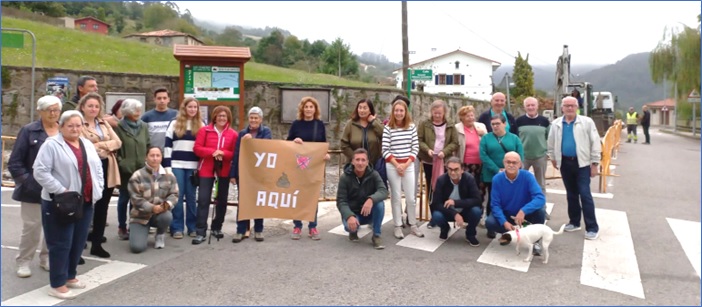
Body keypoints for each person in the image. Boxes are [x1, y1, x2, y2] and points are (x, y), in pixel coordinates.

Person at [33, 110, 104, 300]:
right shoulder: (51, 145)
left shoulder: (87, 144)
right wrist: (60, 190)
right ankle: (57, 284)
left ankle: (70, 276)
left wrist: (99, 187)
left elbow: (97, 168)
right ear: (61, 126)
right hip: (60, 202)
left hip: (86, 200)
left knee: (78, 241)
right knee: (60, 243)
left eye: (78, 125)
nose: (75, 129)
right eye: (70, 125)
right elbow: (40, 172)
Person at [8, 95, 60, 278]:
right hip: (33, 189)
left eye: (56, 110)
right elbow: (15, 163)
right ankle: (24, 261)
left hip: (58, 189)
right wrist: (28, 182)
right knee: (32, 227)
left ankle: (46, 258)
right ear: (40, 111)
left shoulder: (64, 130)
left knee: (53, 226)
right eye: (49, 110)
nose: (53, 113)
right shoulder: (29, 131)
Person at [547, 96, 602, 240]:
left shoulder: (587, 122)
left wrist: (595, 163)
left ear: (577, 107)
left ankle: (592, 227)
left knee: (585, 194)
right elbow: (551, 143)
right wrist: (553, 158)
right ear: (562, 108)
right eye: (567, 105)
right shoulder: (556, 124)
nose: (569, 108)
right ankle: (574, 222)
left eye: (572, 105)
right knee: (571, 194)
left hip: (582, 164)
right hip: (565, 163)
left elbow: (595, 143)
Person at [77, 92, 122, 258]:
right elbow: (83, 145)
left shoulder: (103, 123)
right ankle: (79, 245)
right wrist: (105, 146)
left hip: (107, 166)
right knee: (84, 206)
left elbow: (117, 142)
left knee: (102, 207)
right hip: (87, 167)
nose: (93, 109)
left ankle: (97, 244)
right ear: (82, 107)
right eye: (90, 106)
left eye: (96, 106)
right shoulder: (78, 124)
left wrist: (99, 145)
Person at [192, 106, 238, 245]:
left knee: (222, 200)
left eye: (224, 116)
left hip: (223, 170)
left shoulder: (233, 134)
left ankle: (217, 227)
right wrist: (213, 152)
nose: (222, 118)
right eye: (219, 116)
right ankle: (200, 231)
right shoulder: (204, 131)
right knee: (203, 200)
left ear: (228, 118)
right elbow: (197, 148)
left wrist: (223, 153)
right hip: (206, 169)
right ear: (214, 117)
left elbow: (234, 153)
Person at [287, 96, 330, 240]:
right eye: (306, 107)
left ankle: (313, 226)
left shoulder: (319, 125)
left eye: (311, 107)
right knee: (298, 195)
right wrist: (294, 141)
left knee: (312, 196)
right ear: (302, 109)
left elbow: (323, 144)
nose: (308, 109)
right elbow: (287, 144)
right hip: (298, 166)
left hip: (314, 166)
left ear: (315, 109)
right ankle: (297, 226)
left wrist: (326, 155)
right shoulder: (296, 124)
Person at [485, 152, 546, 252]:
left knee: (540, 211)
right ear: (503, 163)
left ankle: (535, 241)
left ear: (520, 164)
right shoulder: (497, 179)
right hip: (507, 214)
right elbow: (495, 204)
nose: (511, 165)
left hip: (524, 215)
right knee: (490, 222)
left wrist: (524, 211)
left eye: (514, 162)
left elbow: (540, 198)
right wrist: (504, 222)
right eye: (508, 162)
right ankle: (509, 234)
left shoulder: (528, 176)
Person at [382, 99, 423, 239]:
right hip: (393, 166)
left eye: (401, 110)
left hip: (408, 165)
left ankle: (412, 224)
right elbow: (385, 150)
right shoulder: (388, 128)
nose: (399, 113)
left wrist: (405, 165)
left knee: (411, 197)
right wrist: (397, 165)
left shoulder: (411, 127)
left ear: (405, 112)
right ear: (393, 112)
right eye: (396, 110)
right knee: (396, 197)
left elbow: (415, 147)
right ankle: (397, 225)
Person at [164, 97, 204, 239]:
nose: (193, 109)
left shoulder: (201, 125)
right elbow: (167, 147)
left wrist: (200, 168)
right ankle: (176, 227)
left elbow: (203, 148)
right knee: (178, 197)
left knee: (192, 197)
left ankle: (192, 227)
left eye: (195, 107)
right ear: (184, 108)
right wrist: (167, 167)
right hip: (177, 165)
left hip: (193, 167)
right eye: (190, 107)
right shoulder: (174, 124)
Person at [230, 106, 272, 243]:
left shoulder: (266, 131)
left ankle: (258, 229)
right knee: (243, 201)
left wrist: (251, 142)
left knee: (258, 201)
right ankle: (240, 230)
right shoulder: (242, 133)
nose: (253, 120)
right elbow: (237, 154)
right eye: (251, 117)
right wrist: (233, 174)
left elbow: (267, 148)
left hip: (259, 173)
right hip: (244, 173)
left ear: (260, 119)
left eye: (256, 118)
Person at [479, 114, 524, 239]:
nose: (495, 126)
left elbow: (520, 154)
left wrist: (512, 169)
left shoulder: (514, 138)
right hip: (491, 174)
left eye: (498, 123)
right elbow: (483, 155)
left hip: (512, 174)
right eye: (493, 124)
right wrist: (497, 169)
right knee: (492, 199)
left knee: (508, 198)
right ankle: (491, 226)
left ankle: (509, 221)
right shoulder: (486, 138)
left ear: (505, 124)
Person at [127, 146, 178, 253]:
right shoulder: (137, 176)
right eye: (152, 155)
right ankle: (140, 232)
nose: (155, 158)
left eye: (158, 155)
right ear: (146, 157)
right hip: (140, 216)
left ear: (161, 157)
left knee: (167, 216)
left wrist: (165, 206)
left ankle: (160, 234)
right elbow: (135, 199)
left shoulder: (169, 175)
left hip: (160, 213)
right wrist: (152, 208)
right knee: (137, 248)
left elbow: (174, 194)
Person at [336, 148, 389, 249]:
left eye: (363, 160)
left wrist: (371, 199)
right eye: (357, 160)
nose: (360, 163)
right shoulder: (345, 178)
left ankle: (376, 235)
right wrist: (349, 216)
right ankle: (353, 231)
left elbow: (384, 191)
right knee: (349, 227)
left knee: (380, 204)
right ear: (352, 161)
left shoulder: (374, 174)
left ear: (367, 162)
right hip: (354, 213)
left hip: (367, 212)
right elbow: (341, 201)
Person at [114, 99, 151, 241]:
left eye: (139, 110)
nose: (138, 112)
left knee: (137, 200)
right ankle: (121, 226)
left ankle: (133, 226)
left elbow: (148, 145)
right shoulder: (118, 127)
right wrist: (122, 163)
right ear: (128, 111)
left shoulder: (144, 126)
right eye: (135, 110)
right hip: (126, 170)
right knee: (124, 198)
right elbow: (115, 150)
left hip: (141, 169)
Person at [430, 157, 483, 246]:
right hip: (448, 211)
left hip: (465, 210)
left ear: (462, 170)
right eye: (450, 169)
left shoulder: (469, 178)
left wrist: (456, 202)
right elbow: (436, 204)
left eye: (456, 169)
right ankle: (445, 228)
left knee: (477, 211)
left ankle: (470, 234)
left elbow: (477, 200)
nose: (453, 172)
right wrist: (454, 214)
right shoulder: (441, 180)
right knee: (436, 215)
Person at [418, 99, 459, 200]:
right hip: (429, 160)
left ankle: (445, 208)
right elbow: (419, 140)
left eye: (439, 113)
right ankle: (433, 208)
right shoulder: (424, 124)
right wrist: (427, 150)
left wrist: (444, 152)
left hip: (445, 160)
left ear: (444, 112)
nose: (437, 115)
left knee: (445, 185)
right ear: (431, 112)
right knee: (430, 184)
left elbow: (455, 143)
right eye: (435, 113)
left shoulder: (450, 124)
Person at [340, 98, 385, 185]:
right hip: (355, 166)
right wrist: (356, 158)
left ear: (370, 110)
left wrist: (373, 122)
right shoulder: (351, 124)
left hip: (374, 165)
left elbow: (385, 134)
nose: (362, 110)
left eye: (365, 108)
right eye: (360, 108)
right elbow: (343, 144)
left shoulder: (376, 123)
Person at [515, 97, 550, 193]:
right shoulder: (518, 121)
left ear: (537, 106)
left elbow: (549, 138)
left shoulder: (544, 121)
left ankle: (541, 205)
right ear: (524, 107)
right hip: (523, 157)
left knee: (540, 184)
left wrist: (547, 153)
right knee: (520, 182)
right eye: (528, 105)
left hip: (540, 157)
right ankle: (521, 204)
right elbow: (515, 138)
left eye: (533, 105)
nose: (530, 107)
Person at [455, 105, 488, 201]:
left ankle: (479, 211)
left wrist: (484, 134)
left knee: (481, 189)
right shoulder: (457, 128)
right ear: (462, 118)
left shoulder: (481, 126)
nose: (471, 118)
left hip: (481, 164)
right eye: (467, 116)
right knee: (467, 188)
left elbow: (488, 141)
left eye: (472, 115)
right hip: (466, 164)